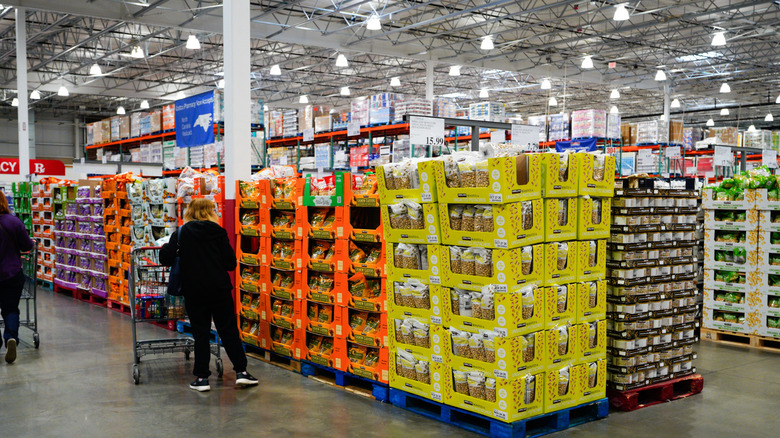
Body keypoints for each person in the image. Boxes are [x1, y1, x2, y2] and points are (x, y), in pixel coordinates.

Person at [160, 198, 257, 392]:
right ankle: (241, 372)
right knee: (228, 330)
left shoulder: (181, 233)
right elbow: (231, 263)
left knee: (201, 333)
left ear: (190, 212)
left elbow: (165, 259)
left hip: (194, 291)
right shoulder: (219, 232)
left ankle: (202, 377)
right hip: (219, 289)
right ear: (211, 212)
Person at [0, 190, 34, 364]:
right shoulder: (14, 222)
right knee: (11, 309)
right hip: (11, 273)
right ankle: (11, 338)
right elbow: (27, 245)